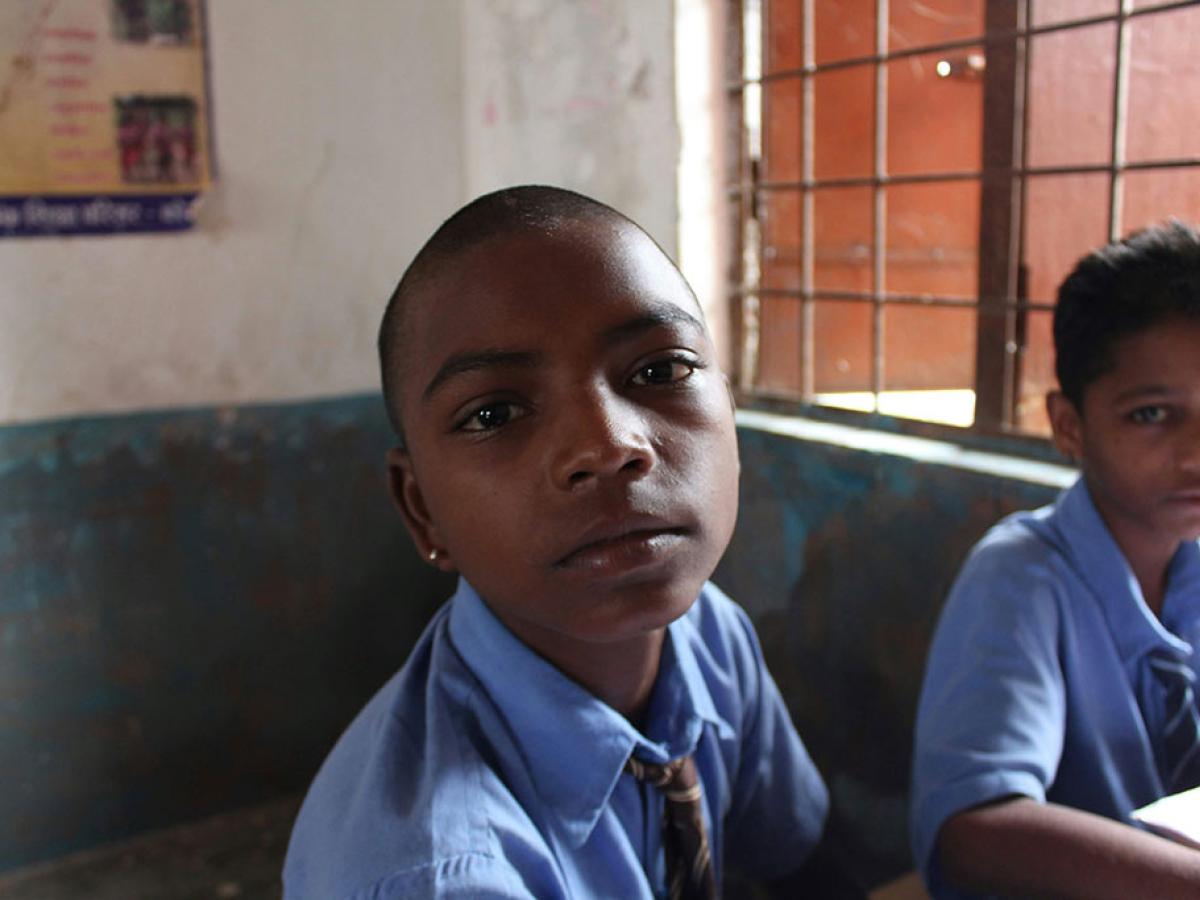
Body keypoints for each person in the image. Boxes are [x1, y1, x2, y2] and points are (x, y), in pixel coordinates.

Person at [283, 186, 844, 898]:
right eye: (494, 412)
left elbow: (799, 862)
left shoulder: (709, 638)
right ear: (422, 510)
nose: (608, 445)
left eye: (661, 370)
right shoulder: (440, 874)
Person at [910, 221, 1200, 898]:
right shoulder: (1020, 578)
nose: (1195, 454)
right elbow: (975, 833)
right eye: (1153, 415)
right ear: (1069, 426)